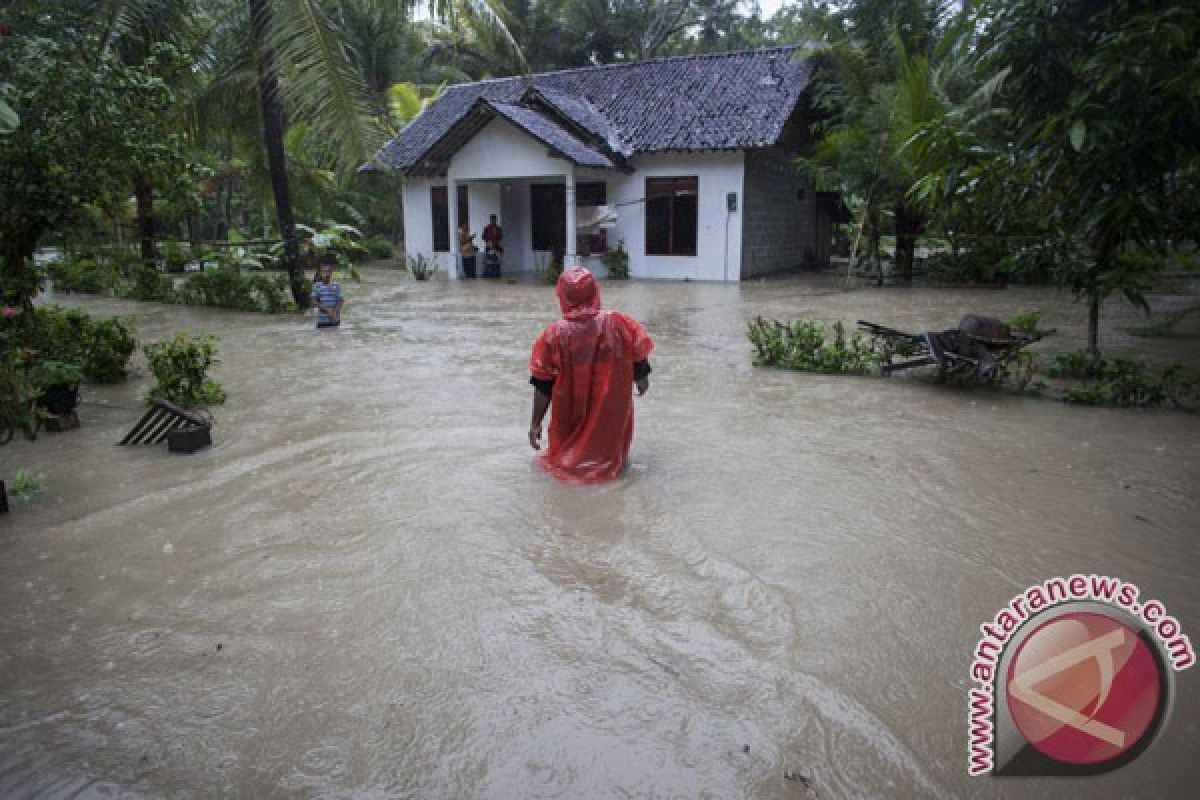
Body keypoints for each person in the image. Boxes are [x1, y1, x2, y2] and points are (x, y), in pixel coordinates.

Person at [528, 266, 654, 483]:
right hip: (611, 408)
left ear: (561, 295)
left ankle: (574, 479)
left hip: (569, 407)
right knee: (609, 452)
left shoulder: (553, 336)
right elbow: (638, 357)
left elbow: (543, 385)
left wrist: (535, 423)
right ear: (595, 291)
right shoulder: (619, 323)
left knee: (563, 458)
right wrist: (642, 380)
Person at [311, 255, 344, 328]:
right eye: (324, 271)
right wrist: (327, 310)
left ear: (331, 273)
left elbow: (340, 300)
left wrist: (335, 312)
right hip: (322, 321)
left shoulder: (337, 285)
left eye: (328, 271)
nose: (326, 274)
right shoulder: (317, 286)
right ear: (320, 274)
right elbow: (314, 301)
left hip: (335, 319)